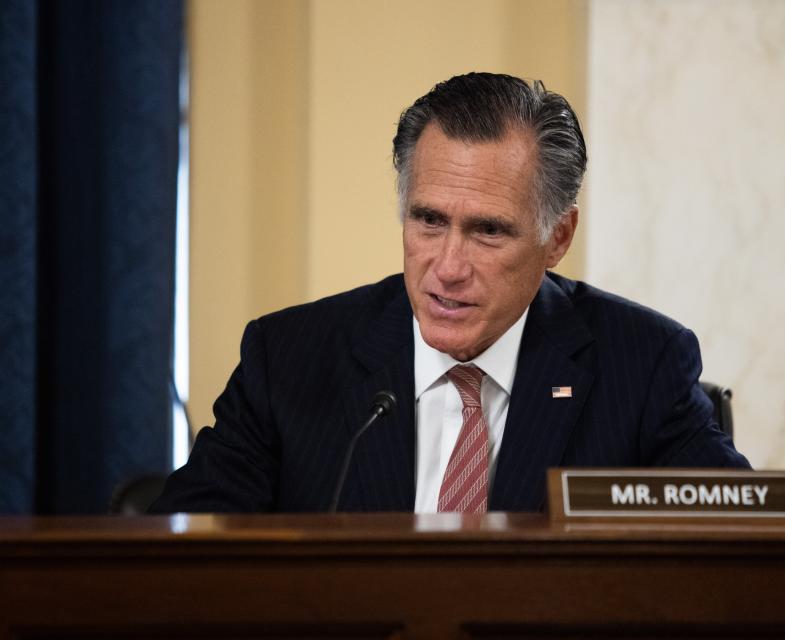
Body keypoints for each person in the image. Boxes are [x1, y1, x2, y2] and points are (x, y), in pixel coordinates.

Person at [151, 72, 749, 514]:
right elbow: (181, 555)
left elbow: (749, 547)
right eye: (429, 221)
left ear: (557, 236)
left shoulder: (642, 364)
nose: (448, 267)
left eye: (488, 230)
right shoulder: (287, 359)